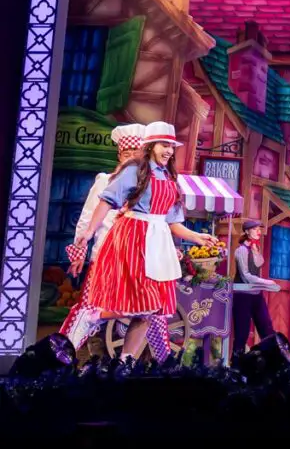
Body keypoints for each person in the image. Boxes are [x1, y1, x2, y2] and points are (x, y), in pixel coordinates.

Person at [71, 122, 218, 360]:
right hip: (134, 238)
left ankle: (125, 361)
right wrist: (88, 233)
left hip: (158, 242)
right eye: (164, 145)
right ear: (150, 146)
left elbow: (172, 222)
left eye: (171, 146)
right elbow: (107, 201)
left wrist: (195, 236)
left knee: (152, 310)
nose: (169, 150)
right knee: (136, 302)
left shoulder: (168, 176)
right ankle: (93, 316)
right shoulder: (135, 170)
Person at [61, 124, 173, 361]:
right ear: (119, 155)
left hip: (141, 256)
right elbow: (87, 218)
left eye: (136, 153)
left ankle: (149, 360)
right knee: (91, 308)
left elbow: (160, 219)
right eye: (127, 154)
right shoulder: (106, 181)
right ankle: (67, 354)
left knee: (151, 309)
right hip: (106, 254)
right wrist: (80, 252)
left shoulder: (150, 180)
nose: (132, 158)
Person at [232, 220, 280, 360]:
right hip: (243, 295)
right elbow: (246, 275)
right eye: (255, 229)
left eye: (259, 228)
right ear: (247, 231)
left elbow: (259, 265)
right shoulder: (241, 250)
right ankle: (236, 364)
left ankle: (273, 361)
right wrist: (267, 282)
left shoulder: (255, 248)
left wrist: (255, 251)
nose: (258, 231)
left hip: (256, 294)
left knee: (267, 329)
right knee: (242, 333)